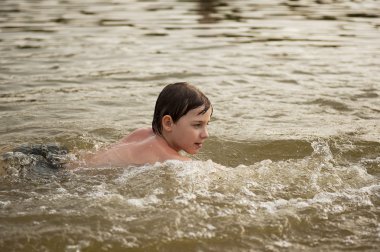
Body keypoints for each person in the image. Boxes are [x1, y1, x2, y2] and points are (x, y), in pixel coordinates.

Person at [84, 82, 212, 167]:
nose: (206, 134)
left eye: (207, 124)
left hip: (72, 163)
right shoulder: (169, 158)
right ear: (168, 123)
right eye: (197, 125)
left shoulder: (142, 133)